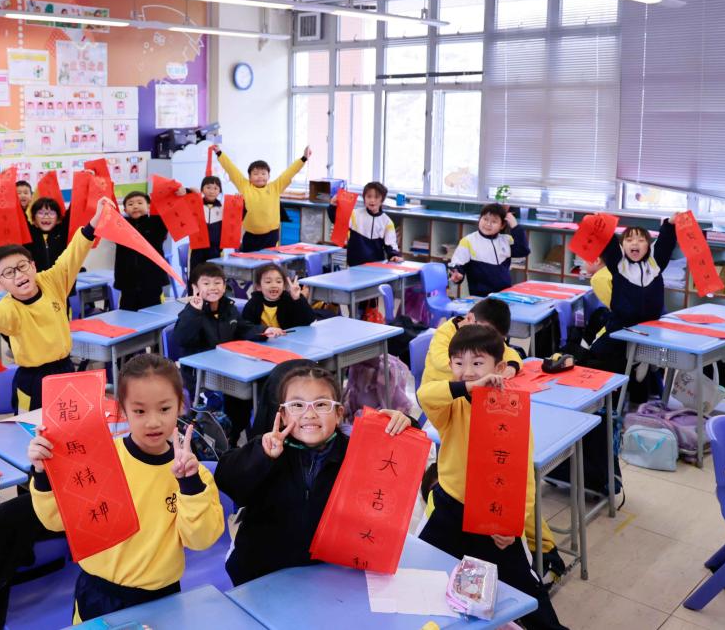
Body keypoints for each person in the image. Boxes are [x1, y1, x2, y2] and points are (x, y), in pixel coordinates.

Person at [27, 354, 224, 622]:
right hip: (98, 594)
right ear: (123, 410)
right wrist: (44, 474)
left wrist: (189, 485)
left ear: (180, 406)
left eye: (164, 409)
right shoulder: (100, 458)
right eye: (140, 411)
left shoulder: (194, 475)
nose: (153, 422)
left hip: (160, 600)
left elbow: (201, 540)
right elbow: (55, 520)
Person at [417, 325, 567, 630]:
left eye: (477, 363)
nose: (467, 371)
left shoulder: (511, 411)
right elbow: (424, 395)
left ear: (498, 368)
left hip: (494, 517)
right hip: (450, 508)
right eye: (458, 363)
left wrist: (514, 523)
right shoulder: (452, 406)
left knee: (525, 590)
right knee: (420, 573)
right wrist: (467, 387)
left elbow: (523, 475)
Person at [215, 364, 415, 585]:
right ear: (283, 415)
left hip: (328, 575)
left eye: (321, 404)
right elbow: (227, 482)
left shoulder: (356, 453)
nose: (309, 414)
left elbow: (397, 471)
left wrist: (404, 428)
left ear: (339, 414)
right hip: (263, 574)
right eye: (297, 405)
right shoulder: (266, 448)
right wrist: (261, 456)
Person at [0, 197, 110, 411]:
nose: (19, 275)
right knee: (32, 428)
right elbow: (0, 315)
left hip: (65, 369)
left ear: (33, 266)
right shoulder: (9, 306)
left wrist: (96, 219)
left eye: (22, 266)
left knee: (69, 421)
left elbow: (74, 253)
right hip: (33, 380)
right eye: (9, 273)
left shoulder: (52, 281)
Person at [574, 219, 679, 402]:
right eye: (629, 240)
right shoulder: (619, 266)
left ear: (648, 246)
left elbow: (665, 244)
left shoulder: (654, 265)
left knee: (638, 362)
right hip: (620, 327)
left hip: (649, 329)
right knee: (598, 355)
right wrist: (600, 224)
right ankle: (603, 401)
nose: (635, 243)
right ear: (622, 247)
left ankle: (637, 383)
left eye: (641, 240)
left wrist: (670, 224)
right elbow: (609, 244)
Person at [168, 263, 267, 442]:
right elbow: (181, 339)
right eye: (206, 283)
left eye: (217, 283)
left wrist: (264, 331)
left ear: (224, 285)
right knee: (230, 404)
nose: (213, 287)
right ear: (195, 287)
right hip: (200, 376)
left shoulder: (228, 308)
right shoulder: (190, 312)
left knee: (248, 395)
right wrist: (195, 312)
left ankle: (233, 438)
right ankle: (222, 440)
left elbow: (242, 328)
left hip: (229, 370)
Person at [211, 144, 310, 252]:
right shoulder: (245, 186)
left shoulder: (275, 187)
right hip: (251, 236)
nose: (260, 176)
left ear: (268, 176)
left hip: (271, 236)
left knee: (269, 260)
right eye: (256, 174)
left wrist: (304, 158)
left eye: (263, 173)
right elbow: (231, 169)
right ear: (249, 177)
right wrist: (219, 153)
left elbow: (289, 172)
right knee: (248, 260)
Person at [421, 297, 522, 386]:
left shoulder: (487, 335)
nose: (486, 337)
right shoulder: (445, 332)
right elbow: (440, 361)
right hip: (439, 391)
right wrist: (482, 368)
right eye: (484, 332)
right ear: (470, 318)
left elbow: (508, 352)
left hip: (470, 390)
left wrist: (512, 365)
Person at [448, 203, 530, 297]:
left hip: (504, 294)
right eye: (485, 219)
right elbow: (457, 264)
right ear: (480, 219)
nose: (488, 224)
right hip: (481, 296)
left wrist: (515, 226)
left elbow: (523, 250)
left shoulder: (506, 240)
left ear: (502, 225)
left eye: (494, 221)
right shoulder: (468, 241)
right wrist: (457, 274)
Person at [114, 191, 170, 311]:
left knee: (154, 314)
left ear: (149, 206)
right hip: (128, 283)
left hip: (152, 281)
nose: (135, 206)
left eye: (140, 203)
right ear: (125, 210)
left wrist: (186, 191)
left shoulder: (156, 223)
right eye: (130, 204)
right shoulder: (120, 226)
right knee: (127, 315)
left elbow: (170, 208)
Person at [331, 181, 402, 267]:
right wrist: (333, 207)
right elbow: (337, 220)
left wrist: (394, 255)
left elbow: (390, 244)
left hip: (376, 266)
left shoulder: (387, 222)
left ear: (382, 200)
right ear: (364, 198)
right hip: (354, 265)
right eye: (369, 196)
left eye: (376, 197)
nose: (372, 200)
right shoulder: (355, 214)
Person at [240, 262, 317, 336]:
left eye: (278, 281)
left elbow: (308, 321)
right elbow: (246, 329)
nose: (274, 285)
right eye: (268, 282)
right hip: (263, 342)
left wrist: (297, 299)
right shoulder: (253, 303)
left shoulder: (289, 300)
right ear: (258, 287)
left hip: (289, 340)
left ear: (284, 286)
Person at [188, 175, 226, 274]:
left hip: (215, 250)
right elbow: (183, 200)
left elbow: (237, 219)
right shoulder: (196, 205)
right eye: (208, 187)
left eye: (215, 188)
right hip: (197, 250)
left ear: (220, 191)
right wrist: (189, 191)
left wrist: (240, 202)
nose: (211, 191)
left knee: (214, 275)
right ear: (202, 189)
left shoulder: (223, 208)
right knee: (196, 275)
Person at [24, 196, 69, 271]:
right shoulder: (29, 233)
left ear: (58, 219)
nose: (46, 216)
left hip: (62, 277)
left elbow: (74, 209)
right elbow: (19, 214)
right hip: (37, 277)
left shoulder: (63, 231)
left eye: (51, 213)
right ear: (33, 219)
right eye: (41, 213)